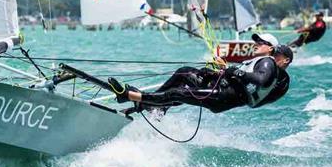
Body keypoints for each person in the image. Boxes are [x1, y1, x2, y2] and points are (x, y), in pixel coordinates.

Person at [109, 41, 293, 114]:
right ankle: (157, 107)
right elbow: (245, 81)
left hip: (224, 96)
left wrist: (234, 72)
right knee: (185, 72)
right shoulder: (263, 62)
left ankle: (129, 96)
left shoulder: (268, 63)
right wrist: (218, 73)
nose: (257, 45)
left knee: (177, 93)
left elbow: (260, 81)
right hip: (224, 90)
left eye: (262, 43)